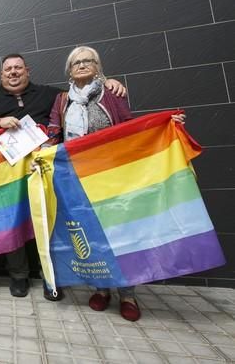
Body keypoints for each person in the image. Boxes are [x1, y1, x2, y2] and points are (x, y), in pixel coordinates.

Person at [0, 53, 126, 300]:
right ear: (1, 74)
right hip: (6, 176)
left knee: (49, 222)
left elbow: (81, 93)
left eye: (18, 68)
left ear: (27, 71)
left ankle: (50, 276)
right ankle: (18, 276)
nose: (13, 72)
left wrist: (108, 82)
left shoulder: (51, 94)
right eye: (8, 69)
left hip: (45, 171)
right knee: (12, 223)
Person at [46, 46, 185, 322]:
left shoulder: (112, 93)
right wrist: (41, 152)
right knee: (90, 230)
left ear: (98, 67)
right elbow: (53, 132)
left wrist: (165, 123)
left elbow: (129, 127)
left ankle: (127, 293)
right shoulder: (62, 100)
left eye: (89, 61)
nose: (82, 65)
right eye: (77, 62)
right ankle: (101, 288)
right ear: (69, 70)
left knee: (121, 232)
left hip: (112, 175)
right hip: (77, 177)